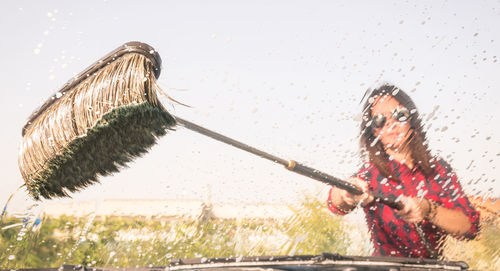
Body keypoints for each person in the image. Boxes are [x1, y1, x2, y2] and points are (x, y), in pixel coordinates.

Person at [327, 84, 480, 258]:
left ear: (412, 121)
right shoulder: (370, 174)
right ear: (373, 131)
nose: (391, 124)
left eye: (399, 115)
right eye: (379, 120)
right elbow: (335, 204)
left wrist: (428, 210)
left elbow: (470, 228)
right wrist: (346, 192)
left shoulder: (439, 170)